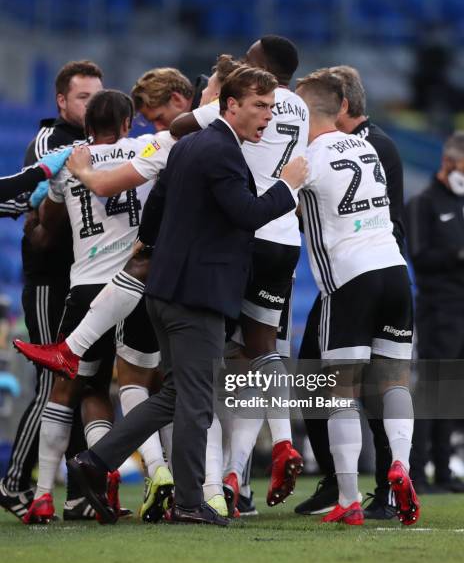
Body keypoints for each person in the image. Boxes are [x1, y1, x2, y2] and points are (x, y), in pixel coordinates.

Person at [67, 65, 307, 527]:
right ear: (229, 105)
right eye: (260, 106)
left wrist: (153, 252)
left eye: (272, 107)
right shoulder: (222, 150)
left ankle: (94, 462)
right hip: (197, 296)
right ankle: (191, 501)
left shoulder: (190, 145)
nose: (268, 116)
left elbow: (154, 211)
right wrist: (288, 185)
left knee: (176, 395)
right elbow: (246, 213)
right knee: (197, 401)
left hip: (167, 292)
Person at [14, 90, 176, 524]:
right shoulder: (147, 147)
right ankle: (156, 470)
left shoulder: (71, 162)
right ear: (127, 124)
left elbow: (48, 226)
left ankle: (44, 494)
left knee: (74, 391)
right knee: (139, 384)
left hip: (86, 288)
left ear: (87, 127)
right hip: (137, 282)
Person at [171, 36, 309, 515]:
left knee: (211, 363)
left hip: (244, 232)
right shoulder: (302, 108)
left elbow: (180, 125)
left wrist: (213, 93)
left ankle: (214, 482)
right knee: (262, 351)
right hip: (287, 238)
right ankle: (271, 451)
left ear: (259, 67)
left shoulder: (246, 101)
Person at [296, 71, 419, 526]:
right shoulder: (368, 147)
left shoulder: (307, 158)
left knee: (339, 389)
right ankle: (400, 467)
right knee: (393, 382)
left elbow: (268, 207)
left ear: (306, 113)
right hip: (394, 270)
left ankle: (348, 497)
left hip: (350, 279)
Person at [0, 60, 104, 522]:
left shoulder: (107, 145)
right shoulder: (51, 141)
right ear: (61, 101)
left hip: (86, 277)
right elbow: (32, 203)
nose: (92, 105)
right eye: (84, 97)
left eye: (98, 98)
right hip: (50, 279)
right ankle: (14, 482)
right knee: (52, 381)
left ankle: (79, 492)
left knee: (81, 382)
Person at [406, 131, 464, 494]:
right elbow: (420, 257)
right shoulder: (424, 203)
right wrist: (457, 256)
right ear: (449, 162)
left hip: (461, 307)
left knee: (453, 390)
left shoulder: (460, 203)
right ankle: (417, 469)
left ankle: (443, 470)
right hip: (438, 308)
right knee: (431, 389)